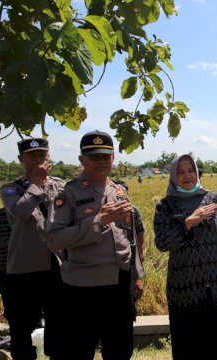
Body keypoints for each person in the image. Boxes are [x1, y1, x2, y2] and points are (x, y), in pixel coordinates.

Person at [46, 130, 144, 360]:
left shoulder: (119, 190)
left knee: (119, 350)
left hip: (119, 285)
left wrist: (137, 274)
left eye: (105, 156)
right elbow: (54, 239)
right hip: (83, 286)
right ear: (82, 160)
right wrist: (97, 222)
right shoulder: (67, 194)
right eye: (94, 157)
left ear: (113, 158)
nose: (100, 161)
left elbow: (130, 237)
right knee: (80, 350)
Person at [154, 154, 217, 360]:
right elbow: (162, 243)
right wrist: (188, 222)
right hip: (184, 289)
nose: (187, 176)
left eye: (191, 170)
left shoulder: (213, 199)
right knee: (190, 348)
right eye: (181, 172)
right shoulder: (165, 206)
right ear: (173, 176)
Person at [0, 138, 65, 360]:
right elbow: (21, 211)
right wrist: (36, 184)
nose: (38, 160)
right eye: (32, 156)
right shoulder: (10, 189)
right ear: (21, 159)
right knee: (22, 324)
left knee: (59, 320)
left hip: (56, 265)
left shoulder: (60, 186)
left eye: (42, 155)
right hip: (24, 267)